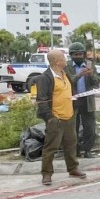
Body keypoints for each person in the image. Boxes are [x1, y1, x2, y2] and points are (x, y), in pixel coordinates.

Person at [36, 49, 87, 186]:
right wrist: (50, 118)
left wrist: (75, 106)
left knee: (71, 145)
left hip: (69, 116)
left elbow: (72, 91)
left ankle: (73, 169)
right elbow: (42, 100)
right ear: (57, 61)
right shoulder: (45, 78)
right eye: (64, 58)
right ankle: (46, 174)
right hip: (55, 119)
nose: (66, 60)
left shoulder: (65, 74)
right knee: (50, 147)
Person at [65, 42, 100, 159]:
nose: (79, 56)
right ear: (71, 55)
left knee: (89, 127)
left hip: (87, 101)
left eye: (81, 54)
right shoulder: (67, 66)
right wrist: (79, 75)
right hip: (72, 101)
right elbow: (67, 82)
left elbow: (96, 83)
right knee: (73, 127)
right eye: (76, 54)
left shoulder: (90, 65)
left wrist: (90, 75)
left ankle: (88, 150)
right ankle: (75, 150)